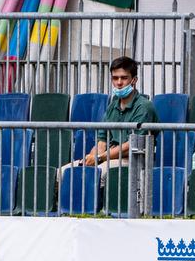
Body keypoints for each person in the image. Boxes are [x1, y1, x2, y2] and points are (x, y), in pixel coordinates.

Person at [57, 56, 159, 187]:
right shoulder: (113, 105)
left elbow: (133, 145)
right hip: (109, 157)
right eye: (115, 78)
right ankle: (65, 207)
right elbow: (102, 140)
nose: (119, 82)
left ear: (134, 80)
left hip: (134, 160)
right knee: (62, 173)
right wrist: (91, 158)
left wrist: (100, 158)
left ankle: (94, 207)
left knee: (99, 175)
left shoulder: (144, 107)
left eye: (124, 78)